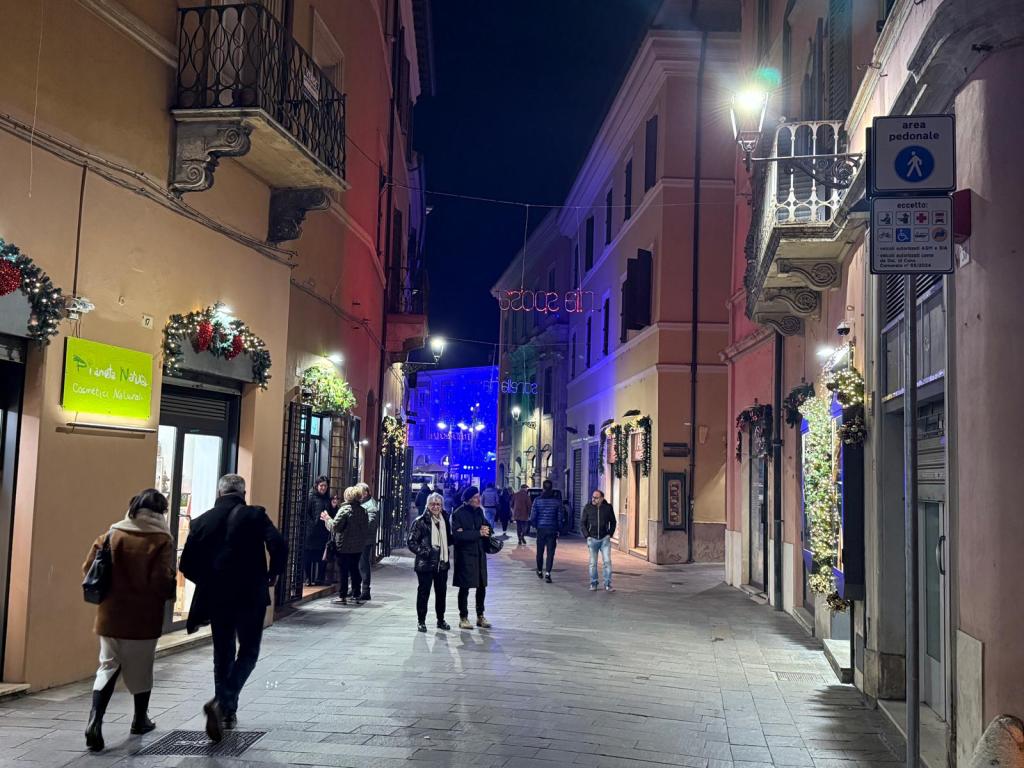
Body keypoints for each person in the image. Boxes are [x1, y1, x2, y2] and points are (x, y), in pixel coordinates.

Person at [178, 474, 285, 742]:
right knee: (248, 651)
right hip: (251, 595)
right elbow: (279, 544)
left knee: (222, 652)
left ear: (219, 492)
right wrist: (273, 573)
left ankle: (226, 711)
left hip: (217, 597)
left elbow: (186, 564)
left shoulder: (201, 521)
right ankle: (223, 702)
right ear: (243, 493)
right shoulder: (255, 515)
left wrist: (209, 579)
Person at [82, 489, 176, 752]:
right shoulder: (161, 540)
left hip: (110, 614)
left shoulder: (113, 533)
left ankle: (95, 721)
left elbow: (88, 567)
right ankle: (139, 720)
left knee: (108, 666)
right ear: (161, 511)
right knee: (141, 669)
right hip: (143, 617)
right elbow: (161, 579)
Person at [407, 492, 452, 632]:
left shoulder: (445, 519)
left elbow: (449, 539)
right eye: (432, 504)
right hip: (425, 564)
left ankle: (441, 620)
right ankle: (421, 621)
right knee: (423, 593)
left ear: (442, 506)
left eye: (438, 504)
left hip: (441, 564)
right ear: (427, 505)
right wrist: (425, 552)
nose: (435, 507)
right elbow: (411, 542)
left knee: (441, 593)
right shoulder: (420, 521)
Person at [450, 486, 492, 629]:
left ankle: (480, 616)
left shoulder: (479, 511)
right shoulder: (458, 514)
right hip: (465, 556)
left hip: (479, 554)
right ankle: (463, 617)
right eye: (475, 497)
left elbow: (485, 527)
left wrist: (486, 530)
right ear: (468, 500)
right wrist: (477, 533)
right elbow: (458, 536)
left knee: (482, 586)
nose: (478, 499)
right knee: (465, 588)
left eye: (478, 496)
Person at [322, 486, 370, 605]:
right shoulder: (363, 510)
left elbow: (335, 527)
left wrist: (327, 519)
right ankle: (356, 594)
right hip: (358, 547)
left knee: (343, 571)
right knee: (354, 569)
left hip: (344, 546)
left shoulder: (345, 510)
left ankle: (342, 595)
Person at [580, 489, 617, 592]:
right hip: (592, 539)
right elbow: (582, 523)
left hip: (604, 539)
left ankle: (608, 584)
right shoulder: (587, 508)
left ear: (601, 498)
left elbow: (613, 521)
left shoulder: (608, 508)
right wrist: (587, 536)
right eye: (592, 497)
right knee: (592, 563)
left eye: (596, 497)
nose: (593, 499)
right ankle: (593, 583)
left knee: (607, 562)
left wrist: (610, 534)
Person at [530, 479, 563, 583]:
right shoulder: (557, 502)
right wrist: (559, 528)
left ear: (543, 488)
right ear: (552, 488)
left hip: (541, 529)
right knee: (550, 552)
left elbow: (533, 516)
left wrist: (536, 526)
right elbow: (560, 517)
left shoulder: (537, 500)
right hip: (552, 529)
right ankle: (548, 573)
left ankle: (539, 570)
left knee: (540, 551)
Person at [304, 476, 332, 586]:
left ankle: (320, 578)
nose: (323, 488)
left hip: (323, 532)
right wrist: (311, 525)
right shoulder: (311, 496)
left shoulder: (327, 498)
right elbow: (306, 513)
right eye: (321, 485)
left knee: (322, 555)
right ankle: (308, 578)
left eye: (325, 485)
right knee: (308, 555)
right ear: (317, 486)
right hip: (311, 533)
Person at [356, 482, 379, 601]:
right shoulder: (362, 503)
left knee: (363, 563)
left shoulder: (371, 505)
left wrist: (357, 528)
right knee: (359, 563)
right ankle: (356, 587)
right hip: (360, 538)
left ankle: (365, 590)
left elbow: (370, 523)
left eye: (361, 492)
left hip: (365, 539)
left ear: (366, 492)